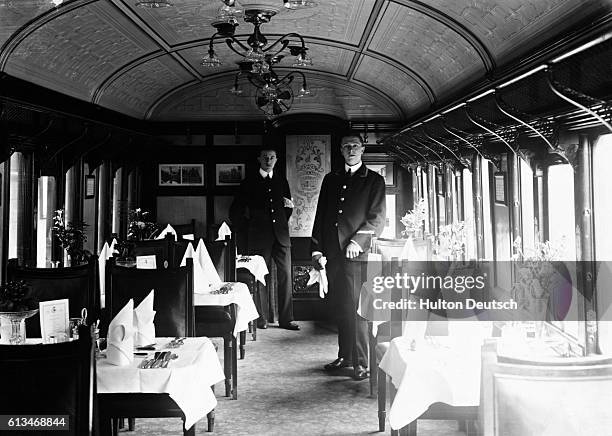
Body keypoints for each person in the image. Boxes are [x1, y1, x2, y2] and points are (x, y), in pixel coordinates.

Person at [311, 133, 386, 380]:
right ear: (341, 151)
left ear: (363, 149)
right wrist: (317, 249)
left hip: (358, 256)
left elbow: (376, 219)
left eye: (355, 146)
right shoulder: (331, 179)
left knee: (358, 311)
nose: (350, 149)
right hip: (333, 255)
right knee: (341, 308)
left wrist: (357, 241)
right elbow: (321, 215)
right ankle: (345, 356)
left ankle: (363, 364)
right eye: (346, 146)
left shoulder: (374, 180)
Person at [230, 148, 300, 331]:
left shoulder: (281, 181)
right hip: (258, 237)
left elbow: (288, 206)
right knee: (260, 278)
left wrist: (282, 222)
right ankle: (261, 319)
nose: (269, 160)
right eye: (265, 157)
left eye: (272, 157)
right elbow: (235, 211)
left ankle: (286, 319)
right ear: (259, 159)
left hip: (281, 236)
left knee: (286, 276)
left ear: (276, 160)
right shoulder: (248, 182)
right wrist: (249, 227)